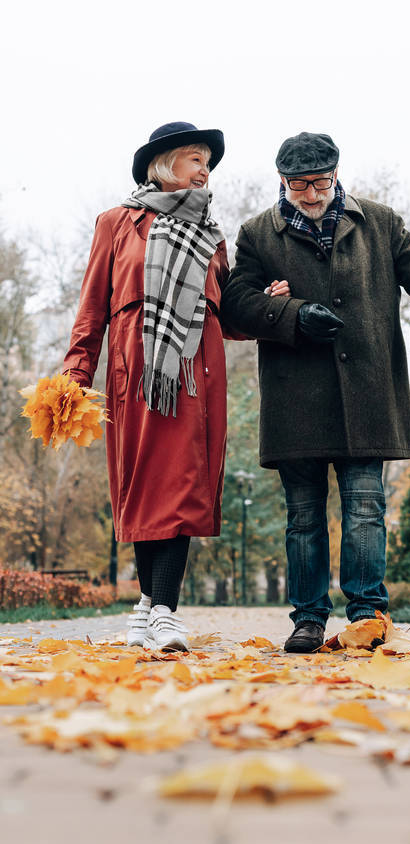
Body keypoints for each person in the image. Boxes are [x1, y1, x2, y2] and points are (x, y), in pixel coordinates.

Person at [221, 132, 410, 652]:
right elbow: (234, 302)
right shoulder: (258, 233)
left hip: (369, 393)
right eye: (299, 185)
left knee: (366, 506)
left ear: (336, 175)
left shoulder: (381, 222)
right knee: (303, 516)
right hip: (294, 398)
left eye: (320, 182)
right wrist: (291, 313)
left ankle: (368, 615)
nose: (311, 194)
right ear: (282, 181)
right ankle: (307, 618)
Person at [62, 121, 259, 651]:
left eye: (208, 163)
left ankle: (162, 611)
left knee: (182, 487)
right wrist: (75, 375)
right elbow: (91, 310)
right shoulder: (116, 223)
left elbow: (230, 315)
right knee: (144, 489)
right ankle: (150, 607)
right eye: (196, 159)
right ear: (164, 164)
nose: (205, 171)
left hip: (196, 374)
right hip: (137, 370)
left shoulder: (212, 235)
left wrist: (268, 302)